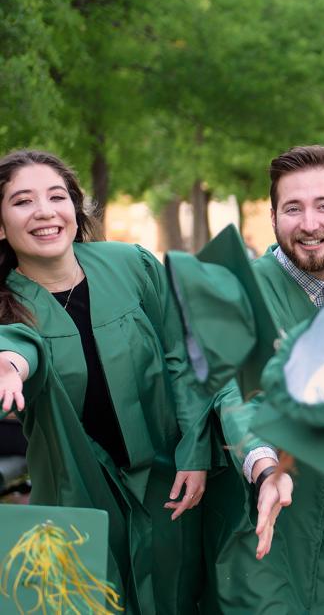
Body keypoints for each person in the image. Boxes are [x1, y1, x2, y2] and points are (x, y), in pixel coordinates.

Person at [0, 150, 211, 614]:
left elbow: (184, 356)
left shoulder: (131, 265)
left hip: (166, 485)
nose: (43, 211)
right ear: (1, 224)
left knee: (176, 598)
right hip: (75, 497)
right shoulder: (7, 303)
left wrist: (195, 452)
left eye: (57, 196)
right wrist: (9, 365)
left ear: (76, 210)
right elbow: (15, 347)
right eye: (21, 201)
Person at [203, 145, 324, 614]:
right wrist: (265, 467)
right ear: (272, 217)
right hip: (270, 507)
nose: (309, 224)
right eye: (293, 208)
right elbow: (231, 392)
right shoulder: (240, 288)